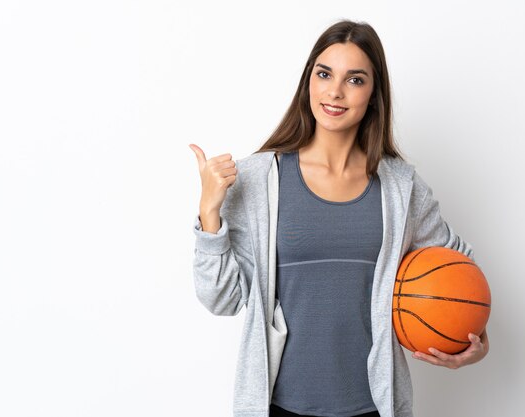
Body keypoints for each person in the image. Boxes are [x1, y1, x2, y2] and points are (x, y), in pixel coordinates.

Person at [189, 19, 489, 417]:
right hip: (279, 406)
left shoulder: (401, 188)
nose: (335, 91)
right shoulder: (259, 180)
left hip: (373, 407)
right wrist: (209, 211)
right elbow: (223, 300)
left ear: (374, 95)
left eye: (355, 79)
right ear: (308, 83)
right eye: (324, 74)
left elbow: (458, 268)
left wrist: (473, 338)